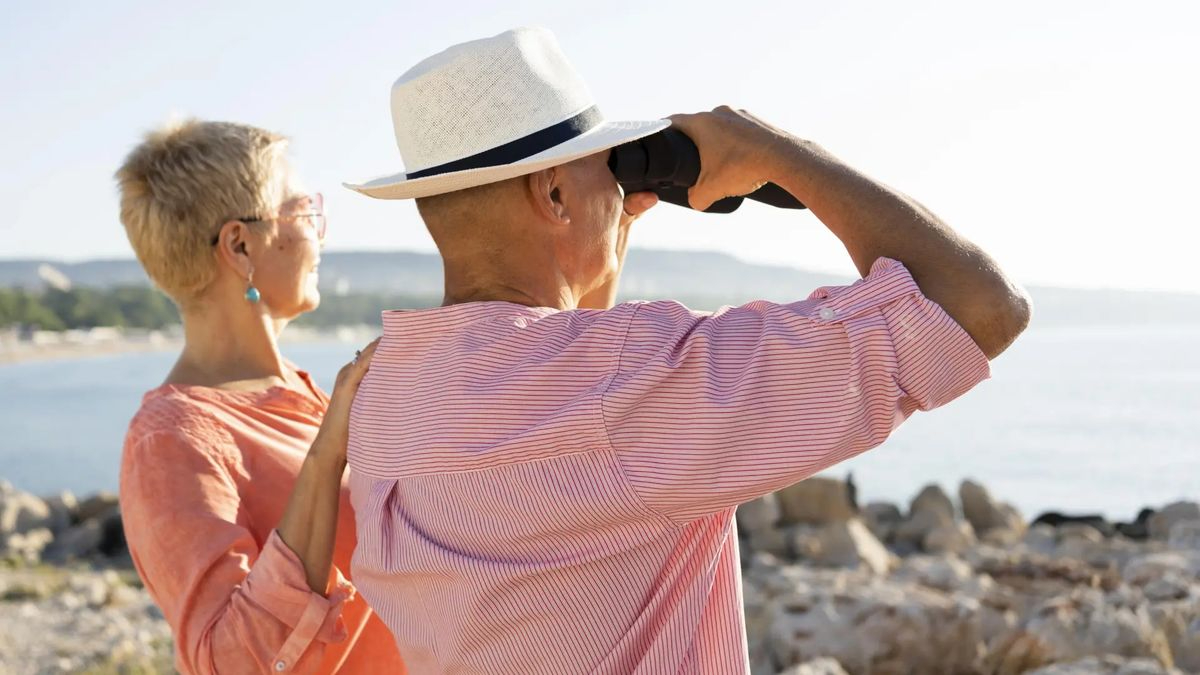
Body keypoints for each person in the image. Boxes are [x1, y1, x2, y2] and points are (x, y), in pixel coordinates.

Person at [342, 27, 1031, 673]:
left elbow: (560, 444)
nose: (620, 191)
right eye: (605, 169)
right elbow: (978, 306)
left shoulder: (383, 396)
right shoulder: (629, 377)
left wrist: (589, 258)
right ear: (553, 191)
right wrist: (775, 150)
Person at [115, 120, 405, 674]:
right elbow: (230, 662)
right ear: (240, 245)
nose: (319, 235)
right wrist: (326, 458)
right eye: (302, 211)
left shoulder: (304, 393)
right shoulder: (171, 438)